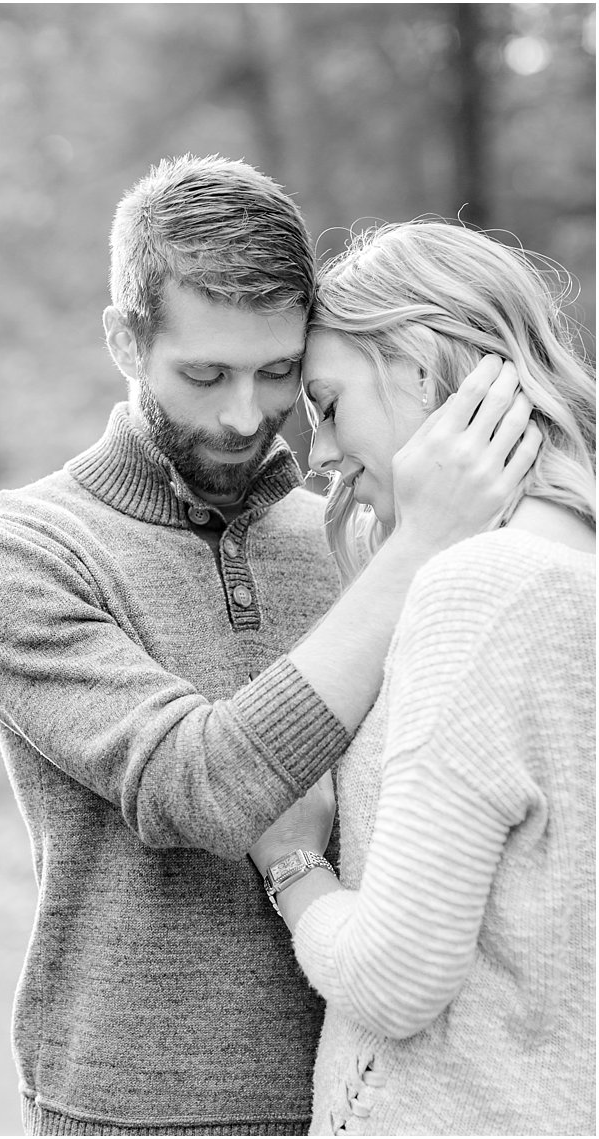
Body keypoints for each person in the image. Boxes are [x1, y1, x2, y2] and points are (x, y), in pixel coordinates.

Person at [0, 155, 539, 1135]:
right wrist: (421, 544)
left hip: (376, 1095)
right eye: (204, 373)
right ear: (125, 339)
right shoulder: (16, 551)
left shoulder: (356, 537)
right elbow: (194, 784)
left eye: (277, 373)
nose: (245, 414)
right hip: (131, 1107)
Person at [246, 221, 595, 1135]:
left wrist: (290, 861)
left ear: (415, 365)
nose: (317, 454)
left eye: (327, 403)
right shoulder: (575, 567)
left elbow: (396, 977)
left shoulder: (482, 590)